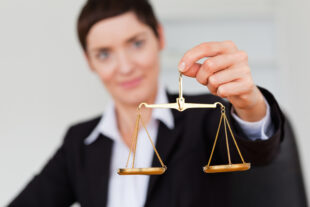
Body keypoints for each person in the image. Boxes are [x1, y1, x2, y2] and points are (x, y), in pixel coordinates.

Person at [9, 0, 284, 206]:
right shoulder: (80, 142)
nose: (125, 67)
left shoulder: (207, 117)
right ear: (89, 62)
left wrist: (249, 104)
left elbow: (260, 151)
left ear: (159, 38)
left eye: (136, 43)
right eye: (104, 54)